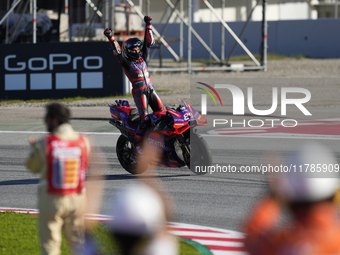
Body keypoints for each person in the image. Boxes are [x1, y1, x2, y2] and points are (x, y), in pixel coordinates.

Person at [243, 142, 340, 255]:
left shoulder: (281, 244)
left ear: (288, 199)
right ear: (335, 195)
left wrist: (273, 194)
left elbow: (253, 239)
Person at [26, 102, 91, 255]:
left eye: (47, 118)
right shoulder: (83, 142)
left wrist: (34, 149)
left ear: (54, 119)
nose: (45, 121)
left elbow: (32, 167)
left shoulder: (46, 143)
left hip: (52, 200)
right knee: (79, 244)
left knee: (50, 244)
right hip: (78, 199)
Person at [103, 16, 165, 153]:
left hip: (151, 89)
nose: (137, 51)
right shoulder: (126, 62)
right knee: (145, 120)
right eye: (133, 49)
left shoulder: (143, 57)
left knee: (162, 114)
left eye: (138, 48)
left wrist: (148, 24)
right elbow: (117, 52)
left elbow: (148, 42)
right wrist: (111, 38)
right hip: (139, 93)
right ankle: (138, 146)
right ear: (128, 51)